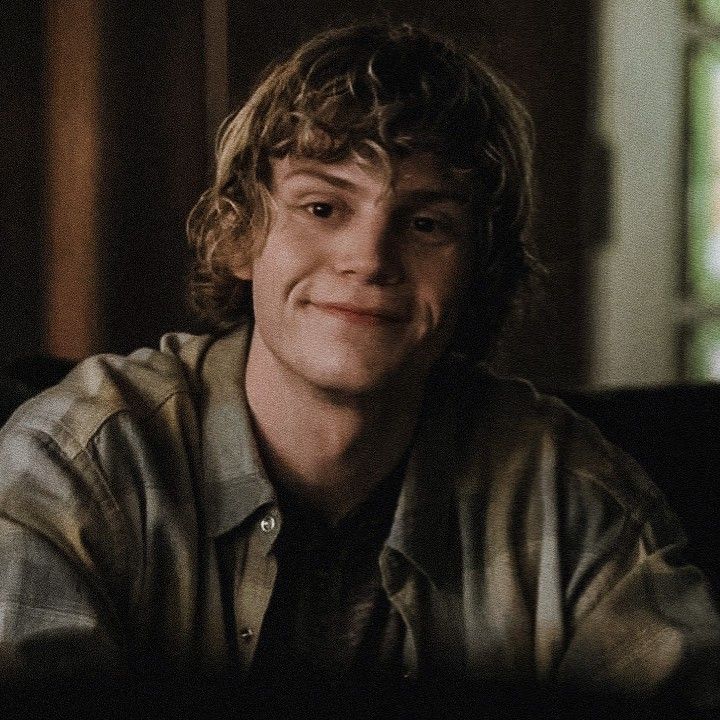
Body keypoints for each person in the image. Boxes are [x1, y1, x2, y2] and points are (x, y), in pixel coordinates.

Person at [0, 20, 718, 719]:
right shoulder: (77, 467)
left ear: (479, 272)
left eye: (426, 223)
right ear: (241, 235)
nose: (370, 258)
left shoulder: (570, 494)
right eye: (322, 206)